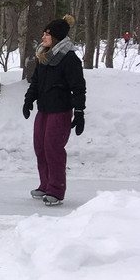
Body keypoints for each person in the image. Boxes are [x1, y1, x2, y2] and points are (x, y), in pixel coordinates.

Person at [23, 14, 86, 206]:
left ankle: (56, 190)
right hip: (44, 110)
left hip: (60, 111)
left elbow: (78, 87)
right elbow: (36, 82)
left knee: (53, 149)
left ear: (56, 37)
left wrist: (79, 112)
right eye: (43, 34)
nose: (43, 37)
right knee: (40, 147)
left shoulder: (69, 59)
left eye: (47, 35)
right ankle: (45, 184)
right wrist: (28, 100)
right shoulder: (44, 56)